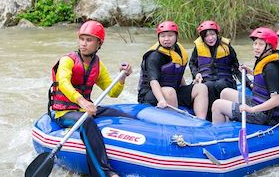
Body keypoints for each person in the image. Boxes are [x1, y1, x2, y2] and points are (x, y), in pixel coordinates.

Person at [48, 20, 133, 177]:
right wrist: (82, 101)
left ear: (98, 43)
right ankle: (104, 173)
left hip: (84, 108)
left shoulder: (97, 65)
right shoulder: (68, 60)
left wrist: (122, 77)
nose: (84, 44)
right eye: (82, 39)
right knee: (87, 121)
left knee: (121, 115)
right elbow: (63, 83)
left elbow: (113, 92)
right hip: (63, 112)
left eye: (89, 40)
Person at [212, 27, 279, 125]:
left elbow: (276, 101)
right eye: (255, 43)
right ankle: (227, 126)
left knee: (217, 105)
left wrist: (251, 109)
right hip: (259, 103)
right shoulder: (268, 60)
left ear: (270, 47)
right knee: (225, 92)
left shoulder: (271, 68)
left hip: (267, 115)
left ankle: (219, 135)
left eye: (261, 44)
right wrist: (250, 72)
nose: (256, 47)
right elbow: (265, 78)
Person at [137, 21, 208, 119]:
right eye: (162, 36)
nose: (166, 39)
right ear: (158, 38)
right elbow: (153, 82)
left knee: (201, 87)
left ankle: (201, 121)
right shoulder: (154, 56)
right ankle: (176, 122)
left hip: (174, 90)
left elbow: (177, 73)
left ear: (176, 37)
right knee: (169, 91)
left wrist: (187, 89)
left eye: (170, 35)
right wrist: (161, 100)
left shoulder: (178, 50)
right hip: (150, 94)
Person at [189, 20, 241, 120]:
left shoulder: (227, 47)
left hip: (225, 80)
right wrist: (196, 74)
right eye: (206, 36)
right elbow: (192, 64)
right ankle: (209, 117)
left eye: (212, 34)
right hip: (207, 81)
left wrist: (249, 84)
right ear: (202, 37)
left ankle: (228, 115)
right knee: (208, 86)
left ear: (217, 34)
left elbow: (236, 67)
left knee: (220, 84)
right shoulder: (197, 48)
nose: (210, 38)